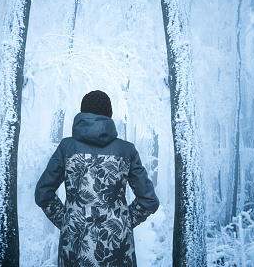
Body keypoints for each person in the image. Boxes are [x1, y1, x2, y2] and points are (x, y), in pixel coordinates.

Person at [35, 90, 160, 266]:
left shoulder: (66, 147)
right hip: (118, 248)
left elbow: (43, 194)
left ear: (82, 113)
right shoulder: (127, 150)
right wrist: (123, 222)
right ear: (109, 115)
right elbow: (149, 200)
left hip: (74, 247)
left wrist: (67, 221)